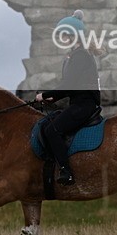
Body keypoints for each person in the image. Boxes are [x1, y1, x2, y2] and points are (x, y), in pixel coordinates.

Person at [35, 10, 101, 186]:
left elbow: (70, 83)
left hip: (85, 105)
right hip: (79, 102)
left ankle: (67, 171)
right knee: (48, 124)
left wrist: (46, 95)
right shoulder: (76, 54)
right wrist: (53, 98)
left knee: (52, 130)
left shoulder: (80, 55)